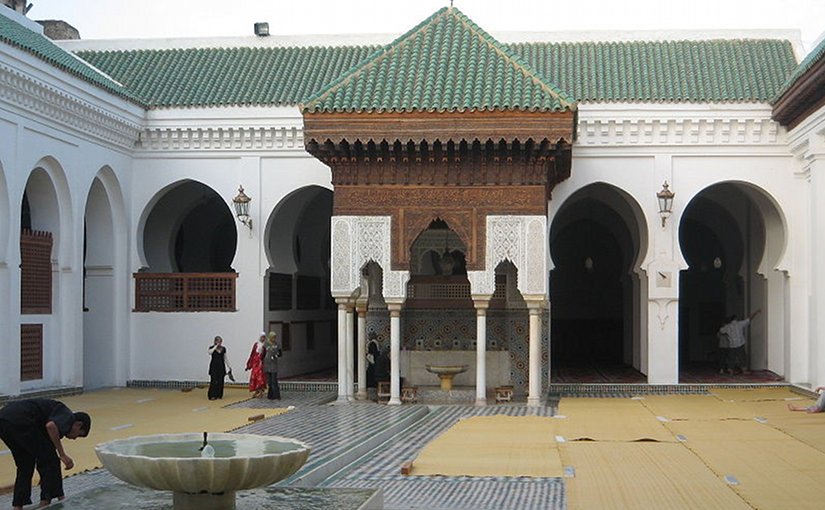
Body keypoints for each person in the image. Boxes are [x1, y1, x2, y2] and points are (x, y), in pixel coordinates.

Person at [0, 399, 91, 510]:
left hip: (4, 420)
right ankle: (45, 503)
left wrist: (60, 494)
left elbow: (47, 438)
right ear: (78, 424)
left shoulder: (55, 415)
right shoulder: (67, 416)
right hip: (21, 419)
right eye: (79, 435)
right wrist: (62, 454)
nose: (74, 438)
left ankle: (18, 506)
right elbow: (51, 426)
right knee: (50, 461)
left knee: (25, 465)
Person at [718, 309, 761, 375]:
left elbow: (721, 331)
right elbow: (749, 319)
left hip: (732, 345)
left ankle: (730, 370)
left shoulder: (728, 326)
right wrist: (756, 312)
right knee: (742, 357)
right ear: (736, 319)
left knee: (731, 358)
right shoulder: (740, 324)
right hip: (740, 344)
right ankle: (744, 370)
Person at [207, 335, 233, 400]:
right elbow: (209, 352)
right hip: (214, 366)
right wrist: (215, 346)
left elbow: (225, 358)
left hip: (221, 366)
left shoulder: (223, 349)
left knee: (220, 381)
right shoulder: (211, 347)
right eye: (218, 341)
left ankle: (219, 395)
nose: (219, 343)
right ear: (215, 341)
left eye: (220, 341)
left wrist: (229, 366)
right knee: (213, 381)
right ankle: (212, 395)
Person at [245, 332, 267, 398]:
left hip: (259, 363)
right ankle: (257, 390)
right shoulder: (256, 344)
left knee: (259, 377)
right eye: (262, 337)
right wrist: (249, 364)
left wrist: (261, 361)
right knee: (254, 376)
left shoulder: (264, 346)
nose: (263, 338)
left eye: (264, 337)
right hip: (255, 363)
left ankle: (260, 391)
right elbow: (252, 354)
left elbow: (264, 355)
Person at [263, 331, 282, 400]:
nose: (274, 339)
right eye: (273, 337)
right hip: (267, 365)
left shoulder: (277, 344)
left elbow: (280, 354)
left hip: (274, 365)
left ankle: (276, 396)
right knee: (270, 382)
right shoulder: (266, 344)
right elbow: (263, 354)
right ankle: (270, 396)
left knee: (274, 381)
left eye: (275, 337)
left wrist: (275, 356)